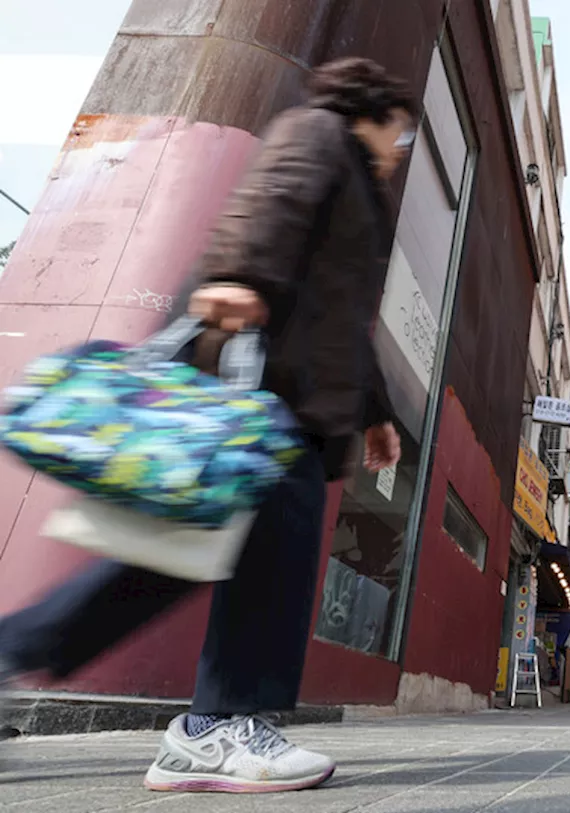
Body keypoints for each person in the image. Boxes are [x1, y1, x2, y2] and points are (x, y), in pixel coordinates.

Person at [0, 58, 416, 792]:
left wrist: (376, 414)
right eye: (401, 133)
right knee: (259, 552)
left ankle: (22, 653)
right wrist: (241, 275)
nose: (400, 148)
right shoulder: (319, 135)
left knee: (162, 561)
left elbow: (346, 319)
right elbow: (270, 201)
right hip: (258, 396)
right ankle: (218, 723)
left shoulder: (360, 187)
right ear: (374, 113)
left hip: (288, 400)